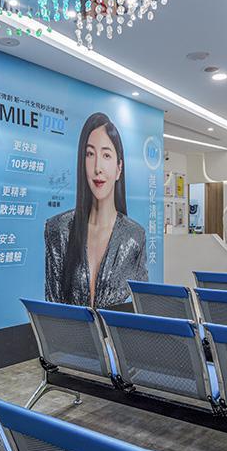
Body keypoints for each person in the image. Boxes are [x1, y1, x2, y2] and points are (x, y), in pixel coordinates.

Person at [44, 112, 147, 307]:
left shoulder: (134, 236)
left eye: (106, 155)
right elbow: (52, 307)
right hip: (68, 328)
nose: (98, 167)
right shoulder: (58, 229)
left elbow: (141, 305)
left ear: (119, 168)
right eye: (90, 154)